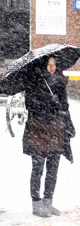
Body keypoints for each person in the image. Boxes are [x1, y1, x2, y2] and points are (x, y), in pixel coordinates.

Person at [23, 56, 75, 217]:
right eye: (48, 64)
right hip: (38, 130)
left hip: (56, 130)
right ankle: (36, 203)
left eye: (54, 64)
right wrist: (48, 101)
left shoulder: (59, 81)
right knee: (38, 169)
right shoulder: (33, 81)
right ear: (43, 65)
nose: (52, 67)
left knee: (53, 170)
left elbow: (64, 105)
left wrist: (68, 124)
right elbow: (30, 104)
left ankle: (48, 201)